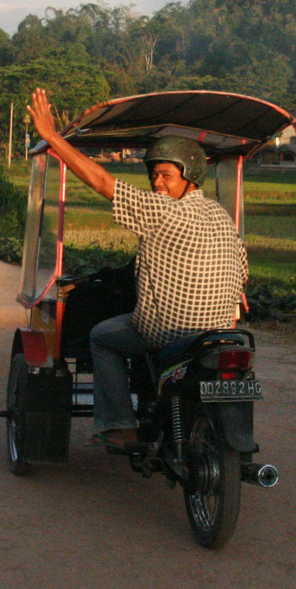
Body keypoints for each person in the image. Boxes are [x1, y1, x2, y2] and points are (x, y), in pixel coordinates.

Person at [26, 87, 247, 447]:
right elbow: (241, 270)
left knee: (102, 337)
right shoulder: (221, 216)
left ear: (189, 176)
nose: (157, 184)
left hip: (170, 331)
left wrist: (51, 136)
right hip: (218, 333)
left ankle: (119, 425)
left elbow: (101, 181)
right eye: (153, 176)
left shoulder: (164, 213)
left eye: (165, 176)